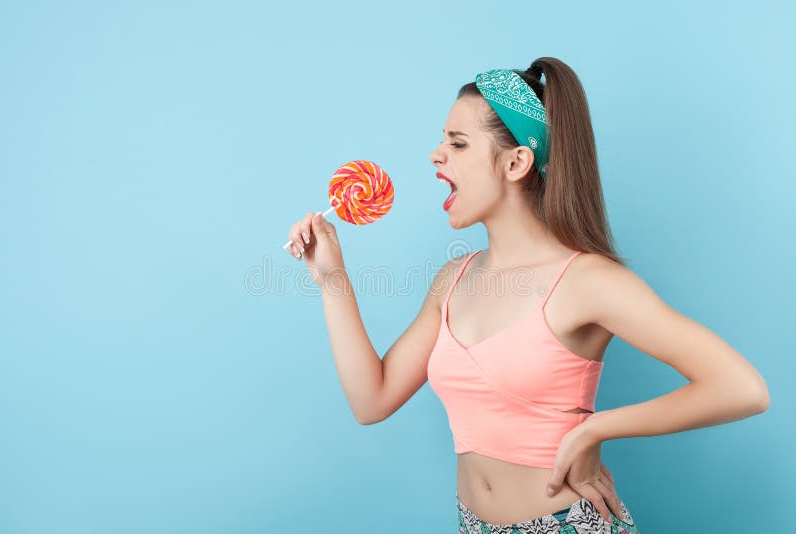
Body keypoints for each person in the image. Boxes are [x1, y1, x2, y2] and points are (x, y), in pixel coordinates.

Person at [285, 56, 770, 533]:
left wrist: (594, 429)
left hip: (567, 525)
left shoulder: (588, 281)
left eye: (457, 143)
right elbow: (372, 402)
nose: (437, 155)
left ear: (517, 162)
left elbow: (742, 388)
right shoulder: (453, 279)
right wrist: (333, 279)